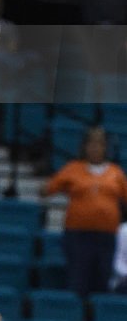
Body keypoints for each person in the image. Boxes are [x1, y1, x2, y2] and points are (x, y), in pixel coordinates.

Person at [41, 126, 127, 296]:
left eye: (100, 144)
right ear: (84, 146)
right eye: (92, 143)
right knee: (78, 280)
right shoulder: (73, 168)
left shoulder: (115, 172)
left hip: (106, 237)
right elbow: (47, 189)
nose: (95, 148)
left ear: (105, 147)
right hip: (78, 235)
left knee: (102, 280)